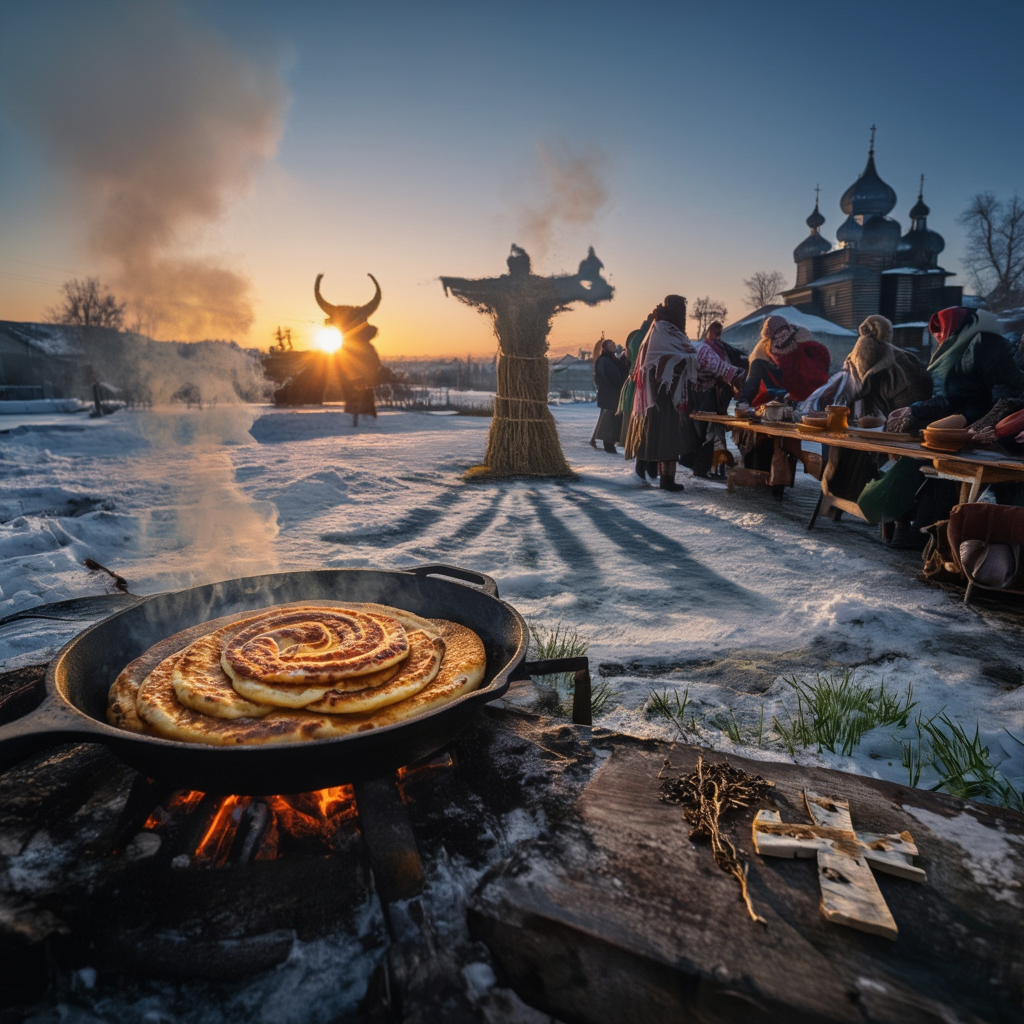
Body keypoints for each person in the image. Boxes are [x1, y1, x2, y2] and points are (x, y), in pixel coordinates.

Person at [858, 307, 1024, 546]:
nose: (940, 339)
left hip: (995, 431)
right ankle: (921, 528)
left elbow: (997, 397)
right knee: (927, 459)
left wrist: (918, 412)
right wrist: (918, 412)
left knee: (938, 461)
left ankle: (927, 530)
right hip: (978, 425)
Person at [802, 315, 931, 506]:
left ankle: (848, 500)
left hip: (885, 429)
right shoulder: (892, 360)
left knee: (858, 455)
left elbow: (908, 409)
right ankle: (855, 498)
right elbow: (908, 405)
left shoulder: (891, 363)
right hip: (879, 429)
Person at [624, 295, 743, 492]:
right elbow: (676, 356)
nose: (684, 316)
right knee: (667, 435)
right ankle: (663, 478)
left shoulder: (665, 328)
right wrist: (691, 361)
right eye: (682, 311)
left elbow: (685, 354)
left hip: (667, 391)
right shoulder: (665, 329)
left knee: (664, 434)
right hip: (664, 392)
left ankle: (659, 475)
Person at [735, 315, 830, 491]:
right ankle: (761, 482)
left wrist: (797, 399)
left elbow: (806, 380)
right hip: (765, 406)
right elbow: (752, 384)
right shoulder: (761, 356)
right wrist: (743, 402)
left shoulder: (796, 346)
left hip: (791, 407)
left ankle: (779, 485)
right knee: (763, 445)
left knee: (785, 447)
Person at [690, 320, 748, 478]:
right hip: (706, 396)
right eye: (716, 331)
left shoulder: (720, 348)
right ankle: (703, 468)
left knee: (714, 431)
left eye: (720, 332)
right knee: (707, 432)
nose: (718, 335)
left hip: (715, 397)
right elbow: (721, 369)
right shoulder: (705, 350)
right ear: (709, 331)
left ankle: (713, 468)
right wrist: (731, 377)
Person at [592, 336, 628, 453]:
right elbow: (610, 377)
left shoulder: (612, 358)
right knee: (609, 420)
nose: (612, 346)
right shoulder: (605, 360)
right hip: (609, 395)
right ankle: (608, 445)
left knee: (611, 419)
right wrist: (620, 384)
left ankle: (609, 443)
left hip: (612, 394)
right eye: (610, 344)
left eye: (613, 344)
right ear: (605, 347)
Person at [338, 333, 381, 426]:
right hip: (360, 381)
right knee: (360, 401)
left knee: (358, 401)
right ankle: (361, 421)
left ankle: (359, 421)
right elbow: (376, 364)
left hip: (358, 381)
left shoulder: (350, 348)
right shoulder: (367, 348)